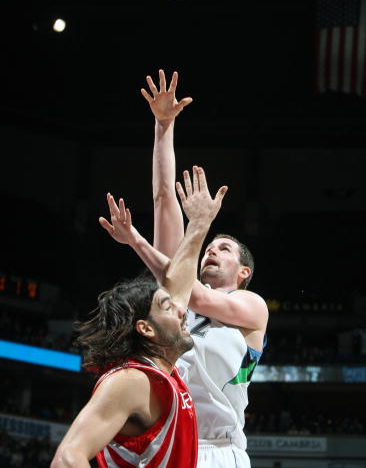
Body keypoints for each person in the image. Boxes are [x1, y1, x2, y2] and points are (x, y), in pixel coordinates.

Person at [99, 69, 269, 468]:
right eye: (207, 247)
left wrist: (139, 241)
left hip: (221, 449)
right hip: (171, 443)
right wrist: (163, 126)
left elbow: (190, 291)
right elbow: (162, 199)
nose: (210, 251)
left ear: (243, 271)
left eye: (224, 249)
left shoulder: (251, 307)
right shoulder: (177, 293)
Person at [51, 165, 228, 468]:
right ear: (146, 328)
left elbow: (180, 281)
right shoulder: (132, 380)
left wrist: (199, 225)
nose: (182, 309)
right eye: (167, 307)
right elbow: (68, 458)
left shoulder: (162, 375)